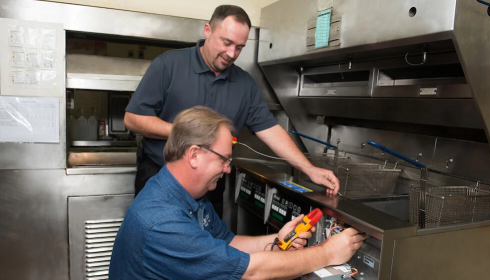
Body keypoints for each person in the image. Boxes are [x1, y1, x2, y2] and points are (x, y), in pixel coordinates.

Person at [124, 4, 341, 215]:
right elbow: (133, 119)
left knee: (208, 248)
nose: (231, 53)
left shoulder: (245, 84)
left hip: (211, 185)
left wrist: (310, 169)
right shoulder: (168, 64)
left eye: (239, 47)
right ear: (208, 30)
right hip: (161, 177)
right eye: (226, 42)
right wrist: (187, 133)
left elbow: (272, 131)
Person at [109, 106, 366, 280]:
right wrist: (327, 253)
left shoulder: (187, 193)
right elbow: (250, 272)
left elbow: (227, 243)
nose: (228, 170)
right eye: (223, 159)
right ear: (195, 154)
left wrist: (279, 238)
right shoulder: (162, 223)